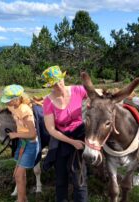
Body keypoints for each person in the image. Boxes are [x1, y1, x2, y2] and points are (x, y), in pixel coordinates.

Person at [42, 66, 88, 202]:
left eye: (60, 81)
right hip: (61, 139)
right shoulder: (48, 102)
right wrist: (72, 142)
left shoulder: (78, 90)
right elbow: (51, 129)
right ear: (49, 86)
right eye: (54, 84)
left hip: (80, 134)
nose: (58, 85)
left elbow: (96, 94)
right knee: (61, 178)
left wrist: (92, 102)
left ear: (63, 78)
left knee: (79, 179)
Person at [1, 84, 39, 202]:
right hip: (23, 143)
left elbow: (33, 134)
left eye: (8, 100)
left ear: (16, 99)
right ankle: (24, 199)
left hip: (31, 144)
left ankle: (20, 200)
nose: (6, 103)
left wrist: (15, 135)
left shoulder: (25, 111)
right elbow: (8, 109)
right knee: (20, 174)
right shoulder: (13, 107)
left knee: (18, 174)